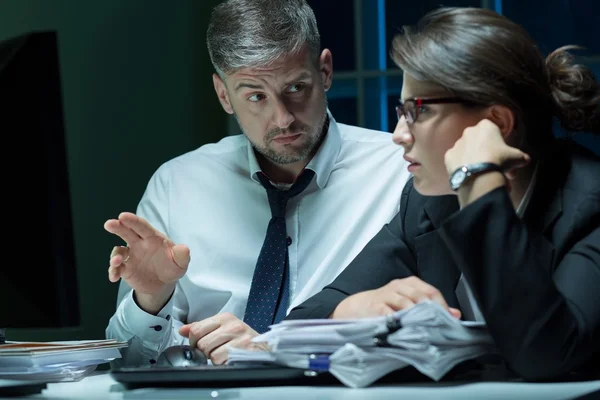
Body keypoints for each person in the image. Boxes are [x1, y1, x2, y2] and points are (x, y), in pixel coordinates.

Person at [286, 7, 600, 381]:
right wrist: (354, 306)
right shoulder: (426, 203)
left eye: (416, 110)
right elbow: (303, 320)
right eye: (400, 110)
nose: (398, 134)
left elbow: (546, 355)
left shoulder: (589, 204)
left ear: (497, 122)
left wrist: (479, 180)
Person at [103, 0, 410, 367]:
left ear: (325, 71)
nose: (282, 118)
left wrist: (281, 349)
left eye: (296, 87)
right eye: (255, 96)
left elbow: (437, 333)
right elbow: (127, 362)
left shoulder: (401, 172)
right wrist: (151, 300)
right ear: (223, 95)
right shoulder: (176, 186)